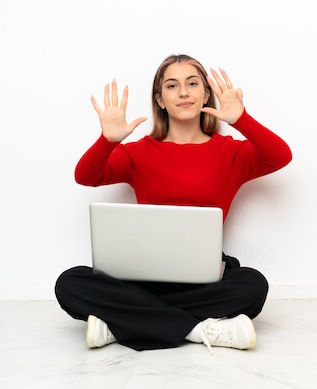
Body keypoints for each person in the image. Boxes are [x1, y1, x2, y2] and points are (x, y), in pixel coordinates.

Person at [54, 54, 292, 353]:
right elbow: (86, 177)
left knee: (253, 285)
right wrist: (108, 140)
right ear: (160, 100)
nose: (183, 92)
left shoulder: (232, 153)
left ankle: (119, 324)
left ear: (206, 94)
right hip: (142, 272)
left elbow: (280, 156)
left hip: (203, 274)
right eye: (172, 85)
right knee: (70, 282)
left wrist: (241, 119)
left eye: (192, 83)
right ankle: (199, 329)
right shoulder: (138, 152)